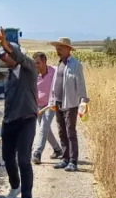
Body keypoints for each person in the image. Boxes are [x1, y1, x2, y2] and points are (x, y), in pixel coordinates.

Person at [0, 27, 38, 198]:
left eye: (4, 55)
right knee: (7, 158)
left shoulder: (29, 69)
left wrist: (7, 45)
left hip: (26, 120)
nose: (2, 59)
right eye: (0, 57)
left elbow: (19, 56)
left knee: (24, 160)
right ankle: (15, 186)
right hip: (10, 121)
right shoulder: (10, 75)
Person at [49, 37, 89, 172]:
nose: (57, 51)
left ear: (68, 49)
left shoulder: (76, 65)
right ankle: (64, 159)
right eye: (56, 48)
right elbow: (54, 84)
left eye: (60, 48)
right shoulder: (59, 64)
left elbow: (81, 84)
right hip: (58, 102)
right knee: (61, 132)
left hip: (71, 104)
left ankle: (73, 161)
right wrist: (52, 100)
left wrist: (83, 101)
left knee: (70, 132)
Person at [31, 52, 63, 164]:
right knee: (46, 130)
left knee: (43, 127)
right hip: (38, 105)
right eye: (34, 63)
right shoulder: (33, 75)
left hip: (51, 105)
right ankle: (58, 150)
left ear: (45, 62)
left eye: (38, 63)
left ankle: (37, 153)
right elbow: (32, 92)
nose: (36, 66)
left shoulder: (54, 72)